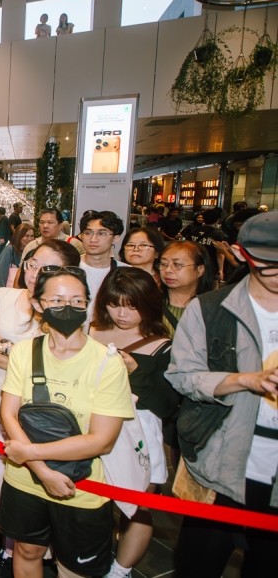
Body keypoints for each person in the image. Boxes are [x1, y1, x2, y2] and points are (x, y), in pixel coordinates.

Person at [0, 267, 133, 578]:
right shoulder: (24, 352)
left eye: (76, 300)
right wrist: (43, 473)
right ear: (39, 304)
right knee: (27, 550)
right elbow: (9, 414)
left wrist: (29, 455)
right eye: (56, 300)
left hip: (80, 486)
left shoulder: (108, 363)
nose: (67, 308)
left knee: (75, 568)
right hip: (25, 479)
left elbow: (101, 440)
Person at [165, 212, 278, 578]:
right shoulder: (211, 309)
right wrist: (244, 380)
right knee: (199, 562)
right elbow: (183, 376)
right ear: (243, 254)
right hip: (221, 457)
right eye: (268, 262)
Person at [0, 239, 81, 575]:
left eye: (46, 267)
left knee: (13, 468)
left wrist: (1, 347)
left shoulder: (61, 308)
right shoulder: (3, 296)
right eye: (31, 264)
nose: (35, 273)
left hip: (31, 405)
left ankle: (3, 537)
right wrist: (19, 358)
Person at [88, 267, 177, 578]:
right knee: (87, 499)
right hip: (93, 422)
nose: (123, 313)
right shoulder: (91, 331)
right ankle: (82, 558)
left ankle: (120, 570)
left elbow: (167, 405)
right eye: (115, 304)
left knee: (136, 507)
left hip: (140, 428)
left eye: (132, 305)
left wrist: (137, 372)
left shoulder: (162, 344)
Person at [159, 240, 215, 334]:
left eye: (177, 265)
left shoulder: (213, 308)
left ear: (200, 270)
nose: (168, 270)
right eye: (164, 264)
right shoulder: (149, 301)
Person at [0, 223, 35, 288]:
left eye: (32, 236)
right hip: (9, 291)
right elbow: (0, 274)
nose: (30, 239)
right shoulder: (9, 250)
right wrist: (1, 292)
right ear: (19, 236)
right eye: (26, 236)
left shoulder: (33, 252)